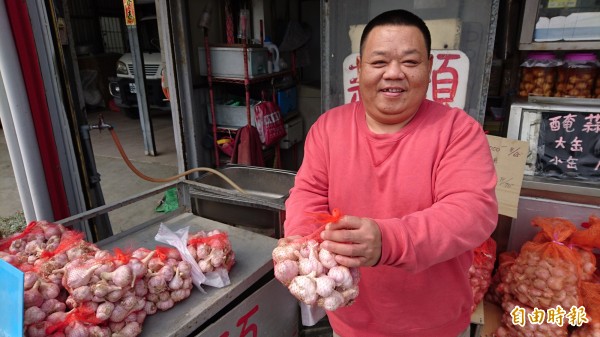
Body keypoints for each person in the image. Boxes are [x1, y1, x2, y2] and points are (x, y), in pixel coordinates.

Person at [282, 9, 498, 337]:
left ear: (429, 68)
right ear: (360, 68)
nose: (394, 73)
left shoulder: (457, 130)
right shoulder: (329, 127)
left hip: (433, 326)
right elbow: (308, 194)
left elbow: (472, 211)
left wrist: (388, 241)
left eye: (410, 62)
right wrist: (299, 242)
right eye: (380, 62)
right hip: (350, 321)